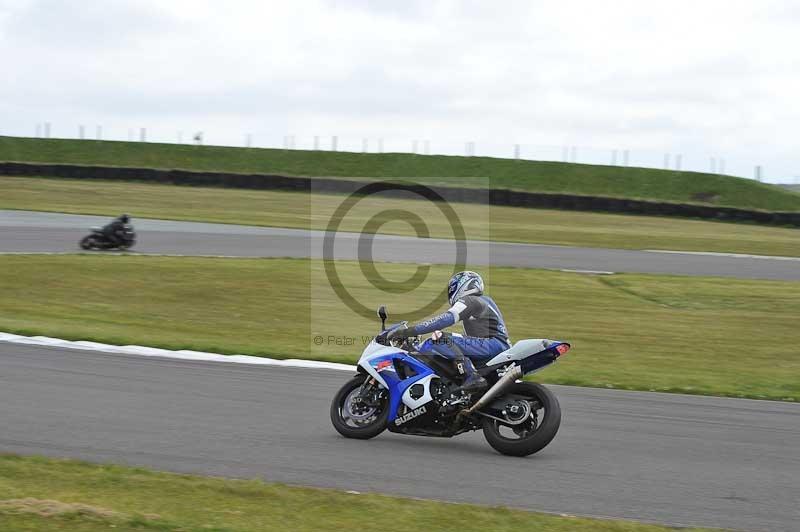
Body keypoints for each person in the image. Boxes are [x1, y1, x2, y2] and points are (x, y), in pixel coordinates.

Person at [387, 271, 510, 394]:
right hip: (494, 346)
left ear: (464, 285)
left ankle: (472, 377)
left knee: (441, 338)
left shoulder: (471, 300)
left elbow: (446, 319)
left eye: (452, 288)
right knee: (450, 346)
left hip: (492, 345)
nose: (451, 292)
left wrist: (408, 331)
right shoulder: (483, 301)